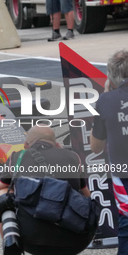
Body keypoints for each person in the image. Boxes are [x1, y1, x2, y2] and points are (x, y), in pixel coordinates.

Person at [0, 125, 94, 255]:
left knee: (2, 194)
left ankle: (11, 241)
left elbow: (0, 189)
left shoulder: (17, 158)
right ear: (56, 144)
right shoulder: (73, 157)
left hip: (31, 240)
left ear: (26, 144)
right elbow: (87, 195)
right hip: (76, 239)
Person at [90, 50, 128, 255]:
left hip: (123, 174)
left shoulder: (106, 100)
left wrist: (106, 96)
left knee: (127, 226)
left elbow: (95, 147)